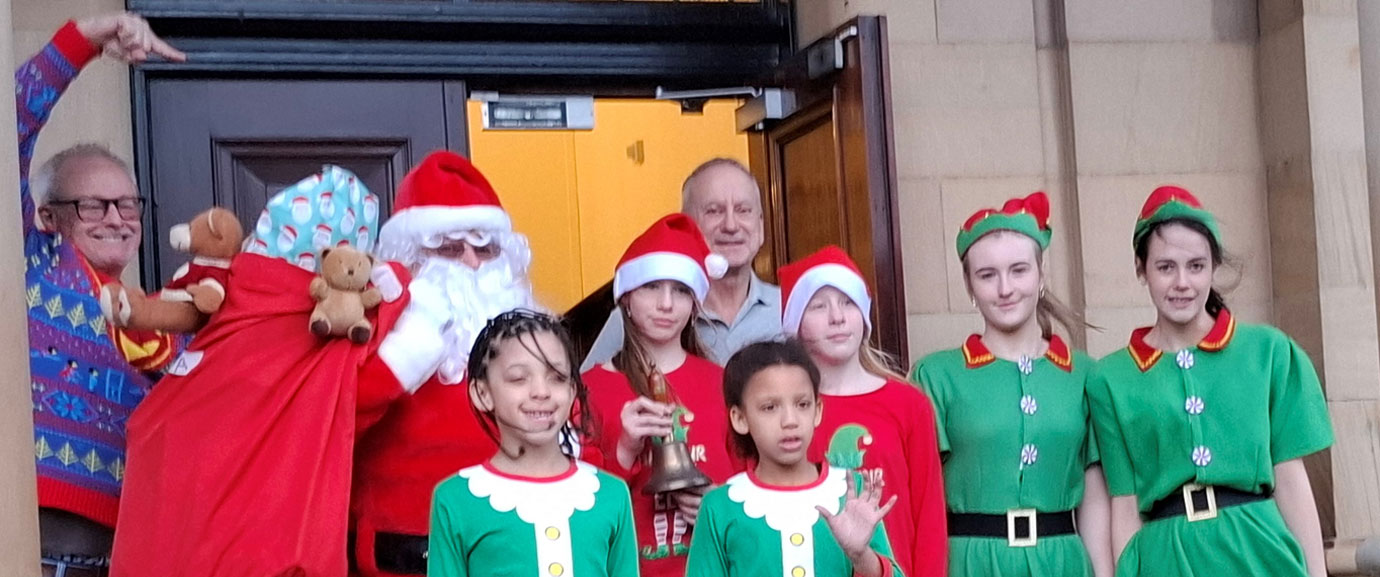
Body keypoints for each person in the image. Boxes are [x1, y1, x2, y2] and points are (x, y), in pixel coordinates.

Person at [111, 166, 422, 577]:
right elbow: (370, 391)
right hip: (266, 555)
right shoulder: (327, 338)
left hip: (168, 541)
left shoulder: (232, 315)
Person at [1087, 186, 1333, 577]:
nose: (1182, 282)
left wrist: (1317, 572)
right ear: (1141, 269)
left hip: (1258, 548)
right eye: (1165, 267)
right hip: (1164, 557)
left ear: (1213, 268)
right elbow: (1124, 502)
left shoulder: (1267, 352)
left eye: (1196, 266)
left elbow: (1290, 479)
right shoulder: (1110, 378)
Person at [15, 13, 186, 576]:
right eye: (92, 205)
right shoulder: (33, 266)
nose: (116, 219)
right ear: (46, 216)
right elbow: (9, 118)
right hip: (35, 552)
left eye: (127, 204)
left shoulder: (160, 320)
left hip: (125, 559)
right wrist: (85, 40)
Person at [351, 151, 545, 577]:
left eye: (486, 247)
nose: (474, 264)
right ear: (411, 257)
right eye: (452, 248)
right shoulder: (373, 329)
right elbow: (334, 422)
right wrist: (404, 357)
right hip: (409, 553)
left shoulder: (537, 340)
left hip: (515, 550)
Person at [911, 192, 1113, 576]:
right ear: (969, 286)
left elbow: (1095, 499)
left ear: (1041, 277)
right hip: (970, 563)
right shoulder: (936, 376)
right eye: (987, 275)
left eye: (1019, 270)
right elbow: (923, 503)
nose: (1005, 289)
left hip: (1062, 562)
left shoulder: (1086, 375)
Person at [583, 213, 745, 576]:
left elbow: (757, 485)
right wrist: (623, 450)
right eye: (651, 287)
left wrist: (720, 505)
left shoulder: (723, 383)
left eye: (681, 290)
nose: (667, 304)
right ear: (625, 298)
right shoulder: (590, 389)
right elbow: (577, 508)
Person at [427, 310, 638, 577]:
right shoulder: (455, 499)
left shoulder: (611, 495)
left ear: (573, 390)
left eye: (557, 377)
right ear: (483, 393)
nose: (541, 391)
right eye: (518, 378)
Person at [780, 245, 948, 576]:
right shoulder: (782, 410)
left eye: (848, 302)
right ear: (796, 323)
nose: (837, 317)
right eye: (818, 306)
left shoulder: (908, 403)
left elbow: (928, 515)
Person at [685, 340, 902, 577]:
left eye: (802, 404)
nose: (790, 420)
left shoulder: (850, 491)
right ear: (739, 418)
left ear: (817, 411)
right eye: (770, 407)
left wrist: (861, 556)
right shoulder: (721, 506)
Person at [582, 158, 781, 370]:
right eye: (714, 211)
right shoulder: (638, 315)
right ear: (688, 224)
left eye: (743, 210)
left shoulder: (791, 309)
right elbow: (588, 393)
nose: (731, 225)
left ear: (760, 225)